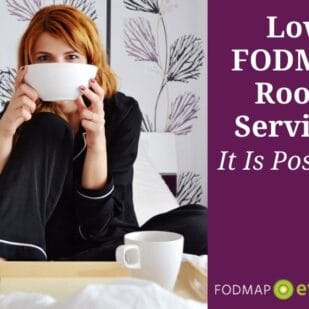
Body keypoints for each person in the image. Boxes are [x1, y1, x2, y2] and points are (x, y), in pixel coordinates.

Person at [0, 4, 207, 261]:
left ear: (91, 61)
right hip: (40, 242)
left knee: (202, 224)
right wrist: (5, 131)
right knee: (48, 126)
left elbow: (98, 223)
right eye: (44, 58)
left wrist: (97, 139)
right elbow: (9, 202)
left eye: (72, 56)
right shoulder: (20, 114)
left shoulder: (121, 111)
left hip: (111, 240)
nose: (59, 66)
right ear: (28, 66)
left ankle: (64, 267)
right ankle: (29, 261)